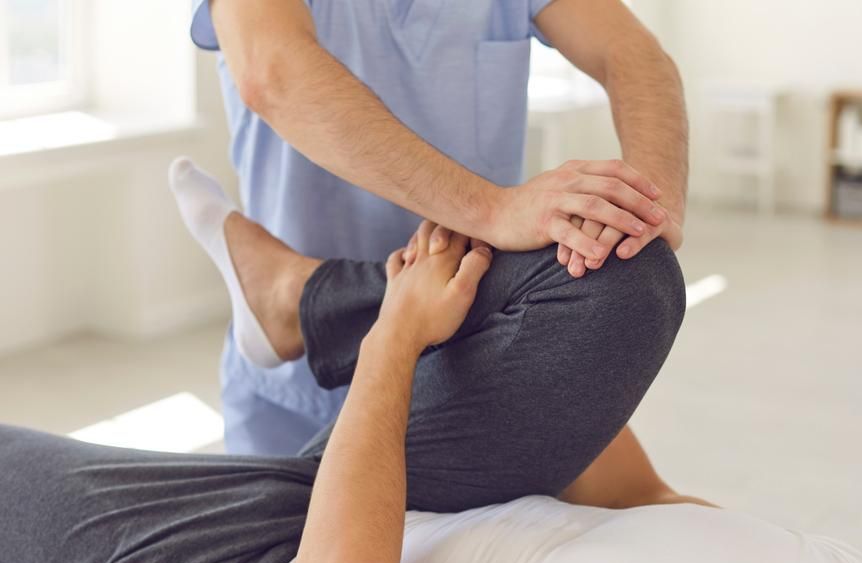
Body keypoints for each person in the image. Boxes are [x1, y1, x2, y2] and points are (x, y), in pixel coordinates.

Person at [0, 184, 862, 563]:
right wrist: (546, 356)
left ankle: (311, 308)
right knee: (623, 287)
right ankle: (304, 305)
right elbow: (633, 495)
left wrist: (399, 341)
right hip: (408, 486)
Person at [192, 0, 689, 457]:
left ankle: (301, 297)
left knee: (631, 281)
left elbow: (633, 54)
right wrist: (492, 210)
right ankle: (301, 299)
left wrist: (647, 211)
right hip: (294, 397)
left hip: (466, 365)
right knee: (295, 546)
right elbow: (272, 72)